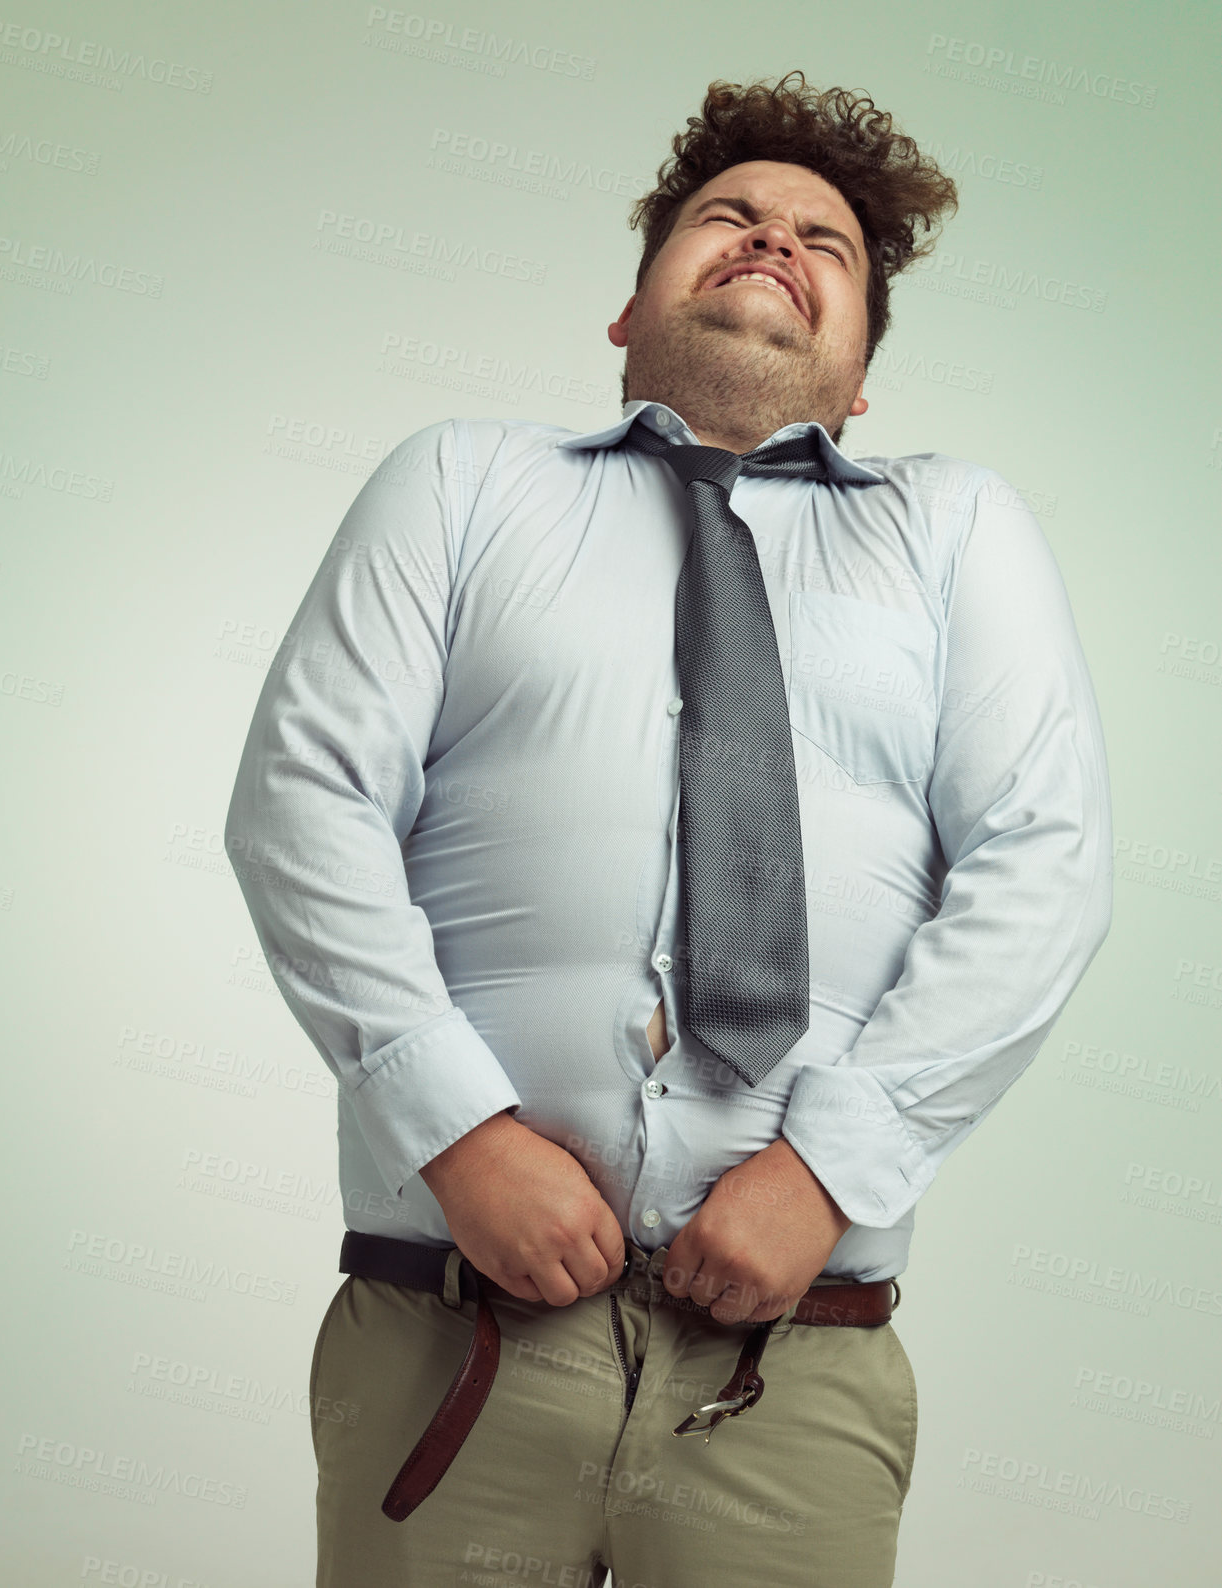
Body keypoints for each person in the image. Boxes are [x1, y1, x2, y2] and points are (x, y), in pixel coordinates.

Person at [224, 69, 1113, 1588]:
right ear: (628, 311)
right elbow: (305, 799)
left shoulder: (958, 529)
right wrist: (455, 1129)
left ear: (860, 370)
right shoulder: (461, 485)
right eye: (727, 216)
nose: (772, 241)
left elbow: (1043, 865)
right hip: (452, 1336)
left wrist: (830, 1168)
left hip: (791, 1362)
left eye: (821, 244)